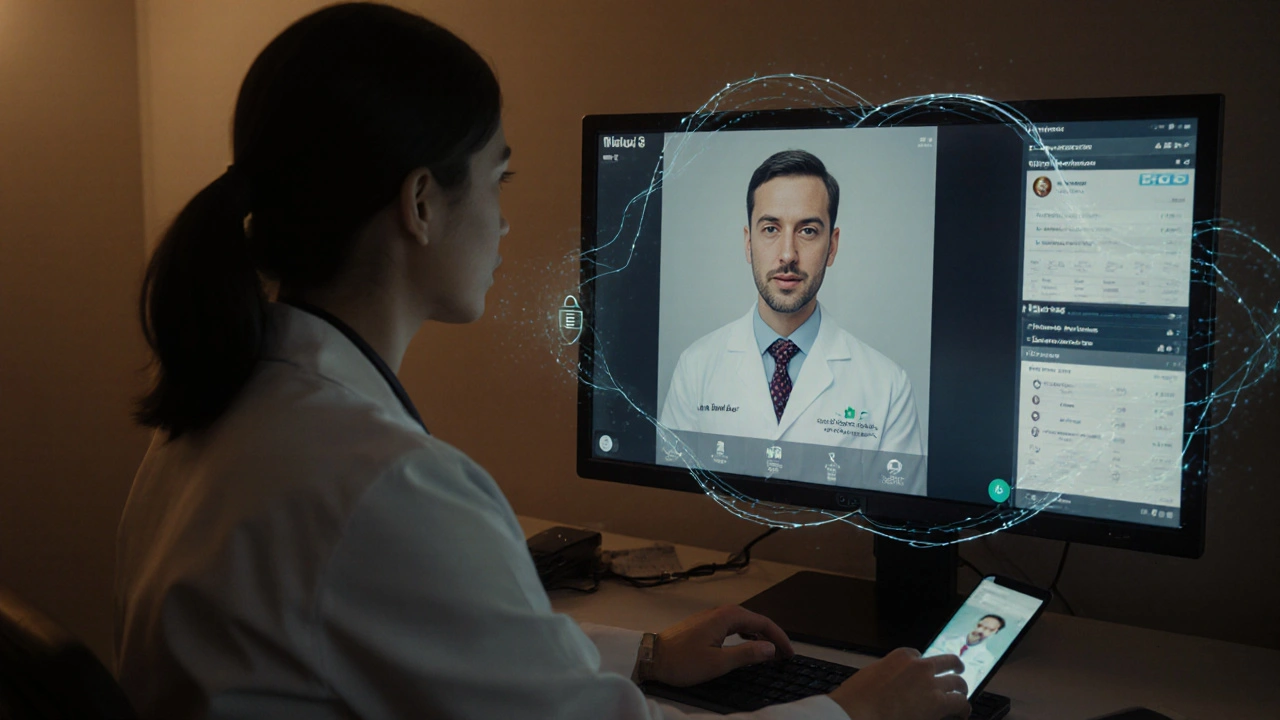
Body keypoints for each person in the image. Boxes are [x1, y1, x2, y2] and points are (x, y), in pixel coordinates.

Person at [114, 4, 969, 720]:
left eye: (808, 229)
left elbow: (439, 638)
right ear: (421, 204)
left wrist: (642, 653)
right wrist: (851, 713)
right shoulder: (388, 487)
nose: (504, 221)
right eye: (499, 180)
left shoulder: (218, 412)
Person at [659, 150, 924, 455]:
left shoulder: (889, 388)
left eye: (808, 231)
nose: (787, 254)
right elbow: (672, 484)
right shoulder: (695, 368)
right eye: (771, 229)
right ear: (748, 243)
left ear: (832, 246)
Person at [924, 614, 1005, 693]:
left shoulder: (988, 659)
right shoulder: (945, 639)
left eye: (988, 629)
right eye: (979, 625)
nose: (980, 630)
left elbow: (977, 684)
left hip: (950, 696)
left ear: (995, 631)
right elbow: (925, 660)